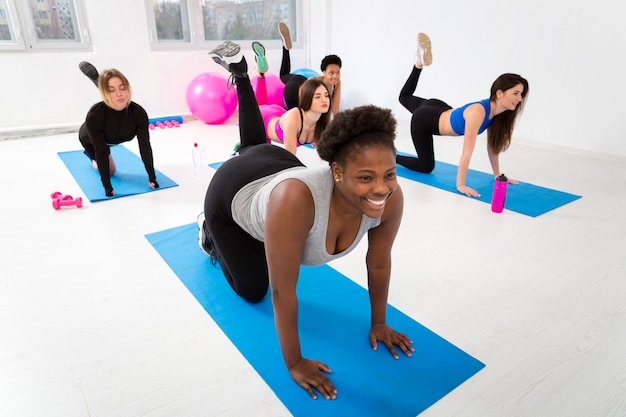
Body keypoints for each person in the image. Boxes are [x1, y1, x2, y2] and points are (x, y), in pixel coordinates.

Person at [200, 40, 413, 400]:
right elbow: (283, 292)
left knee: (253, 144)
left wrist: (379, 323)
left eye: (389, 173)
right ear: (338, 172)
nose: (382, 188)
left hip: (275, 164)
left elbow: (378, 264)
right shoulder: (298, 202)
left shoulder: (390, 198)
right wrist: (294, 362)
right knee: (255, 290)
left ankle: (240, 73)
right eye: (366, 177)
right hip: (232, 192)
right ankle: (210, 235)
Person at [396, 33, 529, 197]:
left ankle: (418, 63)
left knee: (404, 97)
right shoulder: (478, 112)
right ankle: (392, 157)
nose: (519, 99)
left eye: (521, 94)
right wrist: (461, 185)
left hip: (437, 107)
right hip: (424, 120)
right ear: (500, 93)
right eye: (515, 93)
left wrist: (498, 175)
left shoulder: (496, 113)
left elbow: (492, 148)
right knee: (426, 167)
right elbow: (467, 152)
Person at [77, 62, 159, 197]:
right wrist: (107, 187)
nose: (120, 94)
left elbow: (145, 146)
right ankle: (90, 157)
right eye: (112, 90)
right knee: (110, 171)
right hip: (92, 139)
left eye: (122, 88)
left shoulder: (138, 113)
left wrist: (152, 178)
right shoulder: (95, 115)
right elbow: (101, 151)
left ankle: (102, 83)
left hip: (116, 133)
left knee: (115, 102)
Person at [250, 41, 331, 155]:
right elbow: (289, 158)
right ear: (307, 99)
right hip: (264, 118)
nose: (324, 100)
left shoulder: (323, 122)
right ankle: (260, 75)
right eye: (317, 97)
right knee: (258, 107)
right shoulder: (294, 118)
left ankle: (261, 74)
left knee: (261, 104)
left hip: (279, 113)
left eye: (326, 95)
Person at [277, 22, 342, 115]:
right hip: (293, 91)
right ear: (324, 72)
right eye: (331, 73)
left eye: (338, 72)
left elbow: (335, 109)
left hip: (299, 78)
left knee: (283, 75)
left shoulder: (337, 82)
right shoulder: (316, 85)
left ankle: (285, 47)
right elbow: (306, 107)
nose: (335, 76)